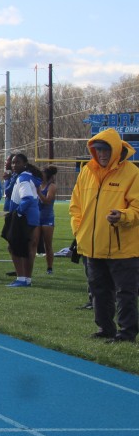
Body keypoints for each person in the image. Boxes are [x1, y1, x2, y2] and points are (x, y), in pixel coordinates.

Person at [69, 128, 139, 342]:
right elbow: (75, 207)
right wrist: (80, 231)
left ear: (116, 149)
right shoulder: (86, 172)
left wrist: (122, 216)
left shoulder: (132, 173)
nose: (102, 154)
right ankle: (105, 328)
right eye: (98, 149)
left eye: (106, 149)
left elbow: (137, 209)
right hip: (92, 246)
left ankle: (127, 333)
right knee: (99, 290)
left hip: (122, 248)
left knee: (125, 292)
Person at [3, 154, 41, 287]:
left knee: (14, 247)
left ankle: (21, 278)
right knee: (28, 248)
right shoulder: (28, 176)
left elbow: (27, 198)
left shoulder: (23, 178)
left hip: (24, 217)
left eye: (17, 162)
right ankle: (27, 279)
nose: (14, 165)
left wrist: (18, 213)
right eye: (13, 163)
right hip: (32, 216)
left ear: (25, 164)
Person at [38, 165, 58, 275]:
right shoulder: (37, 185)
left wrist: (38, 192)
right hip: (36, 218)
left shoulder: (52, 186)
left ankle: (49, 268)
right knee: (33, 243)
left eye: (42, 174)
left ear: (47, 175)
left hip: (47, 219)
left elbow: (47, 201)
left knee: (48, 244)